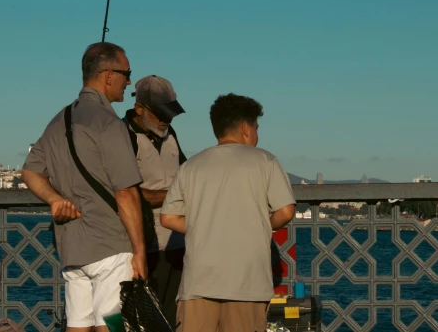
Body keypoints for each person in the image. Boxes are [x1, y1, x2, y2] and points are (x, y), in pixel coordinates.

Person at [22, 42, 147, 332]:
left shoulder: (58, 121)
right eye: (126, 73)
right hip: (110, 247)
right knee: (113, 325)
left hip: (72, 248)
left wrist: (55, 200)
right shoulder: (109, 123)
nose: (128, 82)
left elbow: (30, 171)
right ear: (108, 75)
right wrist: (139, 251)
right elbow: (125, 192)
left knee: (78, 326)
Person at [160, 93, 296, 332]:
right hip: (247, 285)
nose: (256, 134)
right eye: (256, 127)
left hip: (197, 284)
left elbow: (168, 218)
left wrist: (203, 227)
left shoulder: (191, 165)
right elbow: (285, 211)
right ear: (245, 127)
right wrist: (262, 223)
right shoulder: (265, 160)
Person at [121, 75, 187, 327]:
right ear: (140, 109)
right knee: (145, 320)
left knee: (172, 317)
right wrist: (177, 196)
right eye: (162, 115)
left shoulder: (170, 134)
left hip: (176, 244)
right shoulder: (123, 136)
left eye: (170, 115)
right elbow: (129, 194)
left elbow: (185, 173)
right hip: (144, 247)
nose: (167, 121)